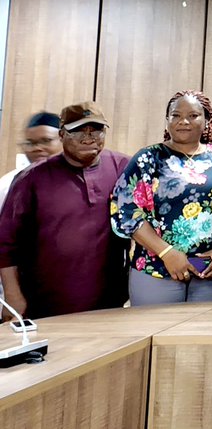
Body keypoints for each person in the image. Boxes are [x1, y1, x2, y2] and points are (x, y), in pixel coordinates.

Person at [0, 102, 129, 320]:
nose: (89, 137)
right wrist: (13, 297)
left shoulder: (122, 167)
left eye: (96, 129)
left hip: (109, 305)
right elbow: (5, 244)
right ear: (62, 135)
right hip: (44, 307)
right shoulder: (30, 179)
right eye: (78, 130)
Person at [111, 91, 212, 305]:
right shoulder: (148, 158)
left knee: (203, 337)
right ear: (167, 121)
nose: (183, 121)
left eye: (193, 115)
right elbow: (126, 211)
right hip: (155, 268)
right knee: (155, 335)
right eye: (175, 115)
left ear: (207, 121)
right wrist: (167, 253)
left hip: (209, 273)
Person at [0, 112, 62, 209]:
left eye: (46, 141)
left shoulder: (82, 181)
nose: (37, 148)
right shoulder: (9, 185)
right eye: (30, 143)